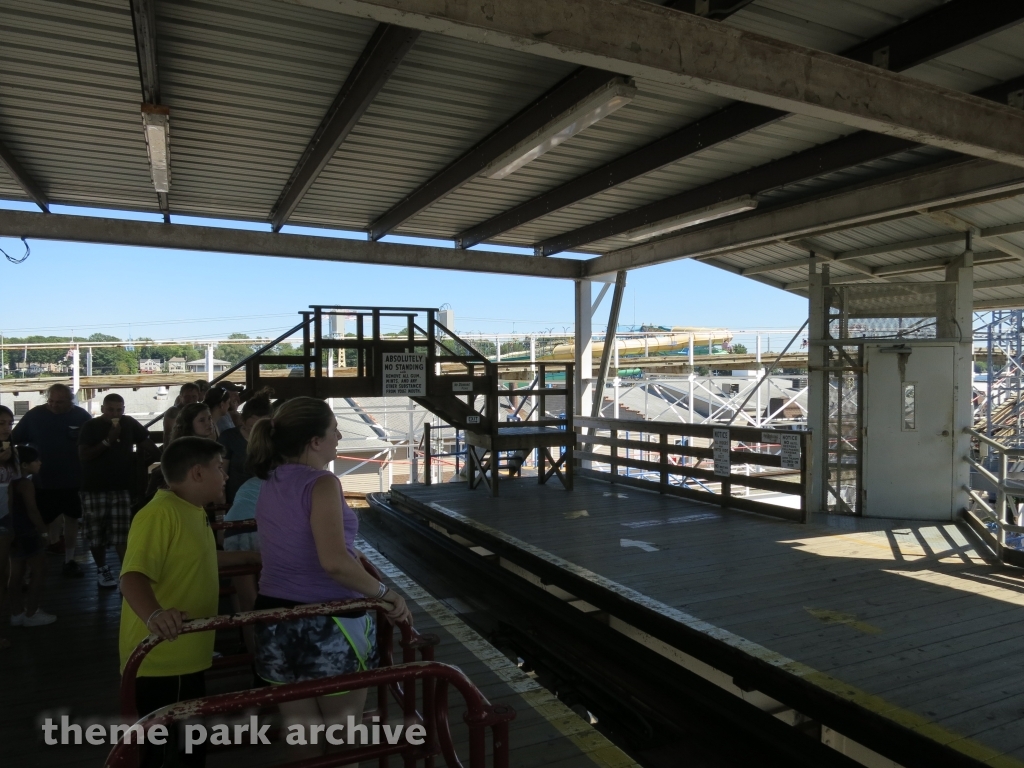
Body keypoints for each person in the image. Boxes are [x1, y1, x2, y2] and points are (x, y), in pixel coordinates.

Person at [248, 397, 411, 757]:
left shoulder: (270, 481)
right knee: (343, 743)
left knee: (303, 742)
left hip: (272, 620)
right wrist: (385, 594)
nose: (339, 434)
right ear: (314, 442)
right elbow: (335, 562)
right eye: (333, 429)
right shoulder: (321, 483)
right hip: (327, 623)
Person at [119, 437, 260, 767]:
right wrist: (154, 614)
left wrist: (255, 556)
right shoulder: (158, 514)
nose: (225, 476)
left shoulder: (192, 510)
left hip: (187, 652)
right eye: (219, 469)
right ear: (197, 473)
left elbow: (202, 556)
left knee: (188, 748)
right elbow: (131, 577)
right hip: (163, 658)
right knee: (172, 754)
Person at [79, 393, 158, 587]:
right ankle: (102, 569)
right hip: (94, 487)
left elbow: (150, 446)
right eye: (111, 409)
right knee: (96, 533)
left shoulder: (129, 424)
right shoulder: (90, 426)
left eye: (119, 409)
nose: (115, 413)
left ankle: (126, 574)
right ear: (103, 409)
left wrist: (142, 465)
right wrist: (108, 440)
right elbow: (84, 455)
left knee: (122, 533)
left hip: (122, 487)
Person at [11, 383, 90, 572]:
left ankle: (69, 559)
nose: (54, 405)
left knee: (72, 519)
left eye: (60, 402)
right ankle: (34, 562)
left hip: (73, 479)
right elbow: (14, 439)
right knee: (39, 521)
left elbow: (92, 442)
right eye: (51, 401)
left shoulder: (82, 417)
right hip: (43, 480)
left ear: (70, 401)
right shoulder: (34, 416)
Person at [8, 446, 56, 626]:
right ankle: (32, 612)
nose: (40, 463)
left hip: (13, 531)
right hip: (27, 531)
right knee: (40, 570)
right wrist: (44, 531)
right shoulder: (26, 484)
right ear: (25, 465)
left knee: (16, 574)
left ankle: (16, 612)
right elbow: (33, 511)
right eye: (36, 460)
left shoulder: (9, 482)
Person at [218, 389, 273, 504]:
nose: (258, 431)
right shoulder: (229, 438)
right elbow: (221, 474)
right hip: (236, 502)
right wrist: (221, 507)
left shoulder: (275, 439)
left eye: (262, 427)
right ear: (242, 420)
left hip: (268, 502)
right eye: (253, 426)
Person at [0, 406, 19, 648]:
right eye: (1, 423)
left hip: (4, 516)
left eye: (8, 423)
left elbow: (13, 487)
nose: (6, 428)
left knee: (3, 574)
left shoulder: (11, 451)